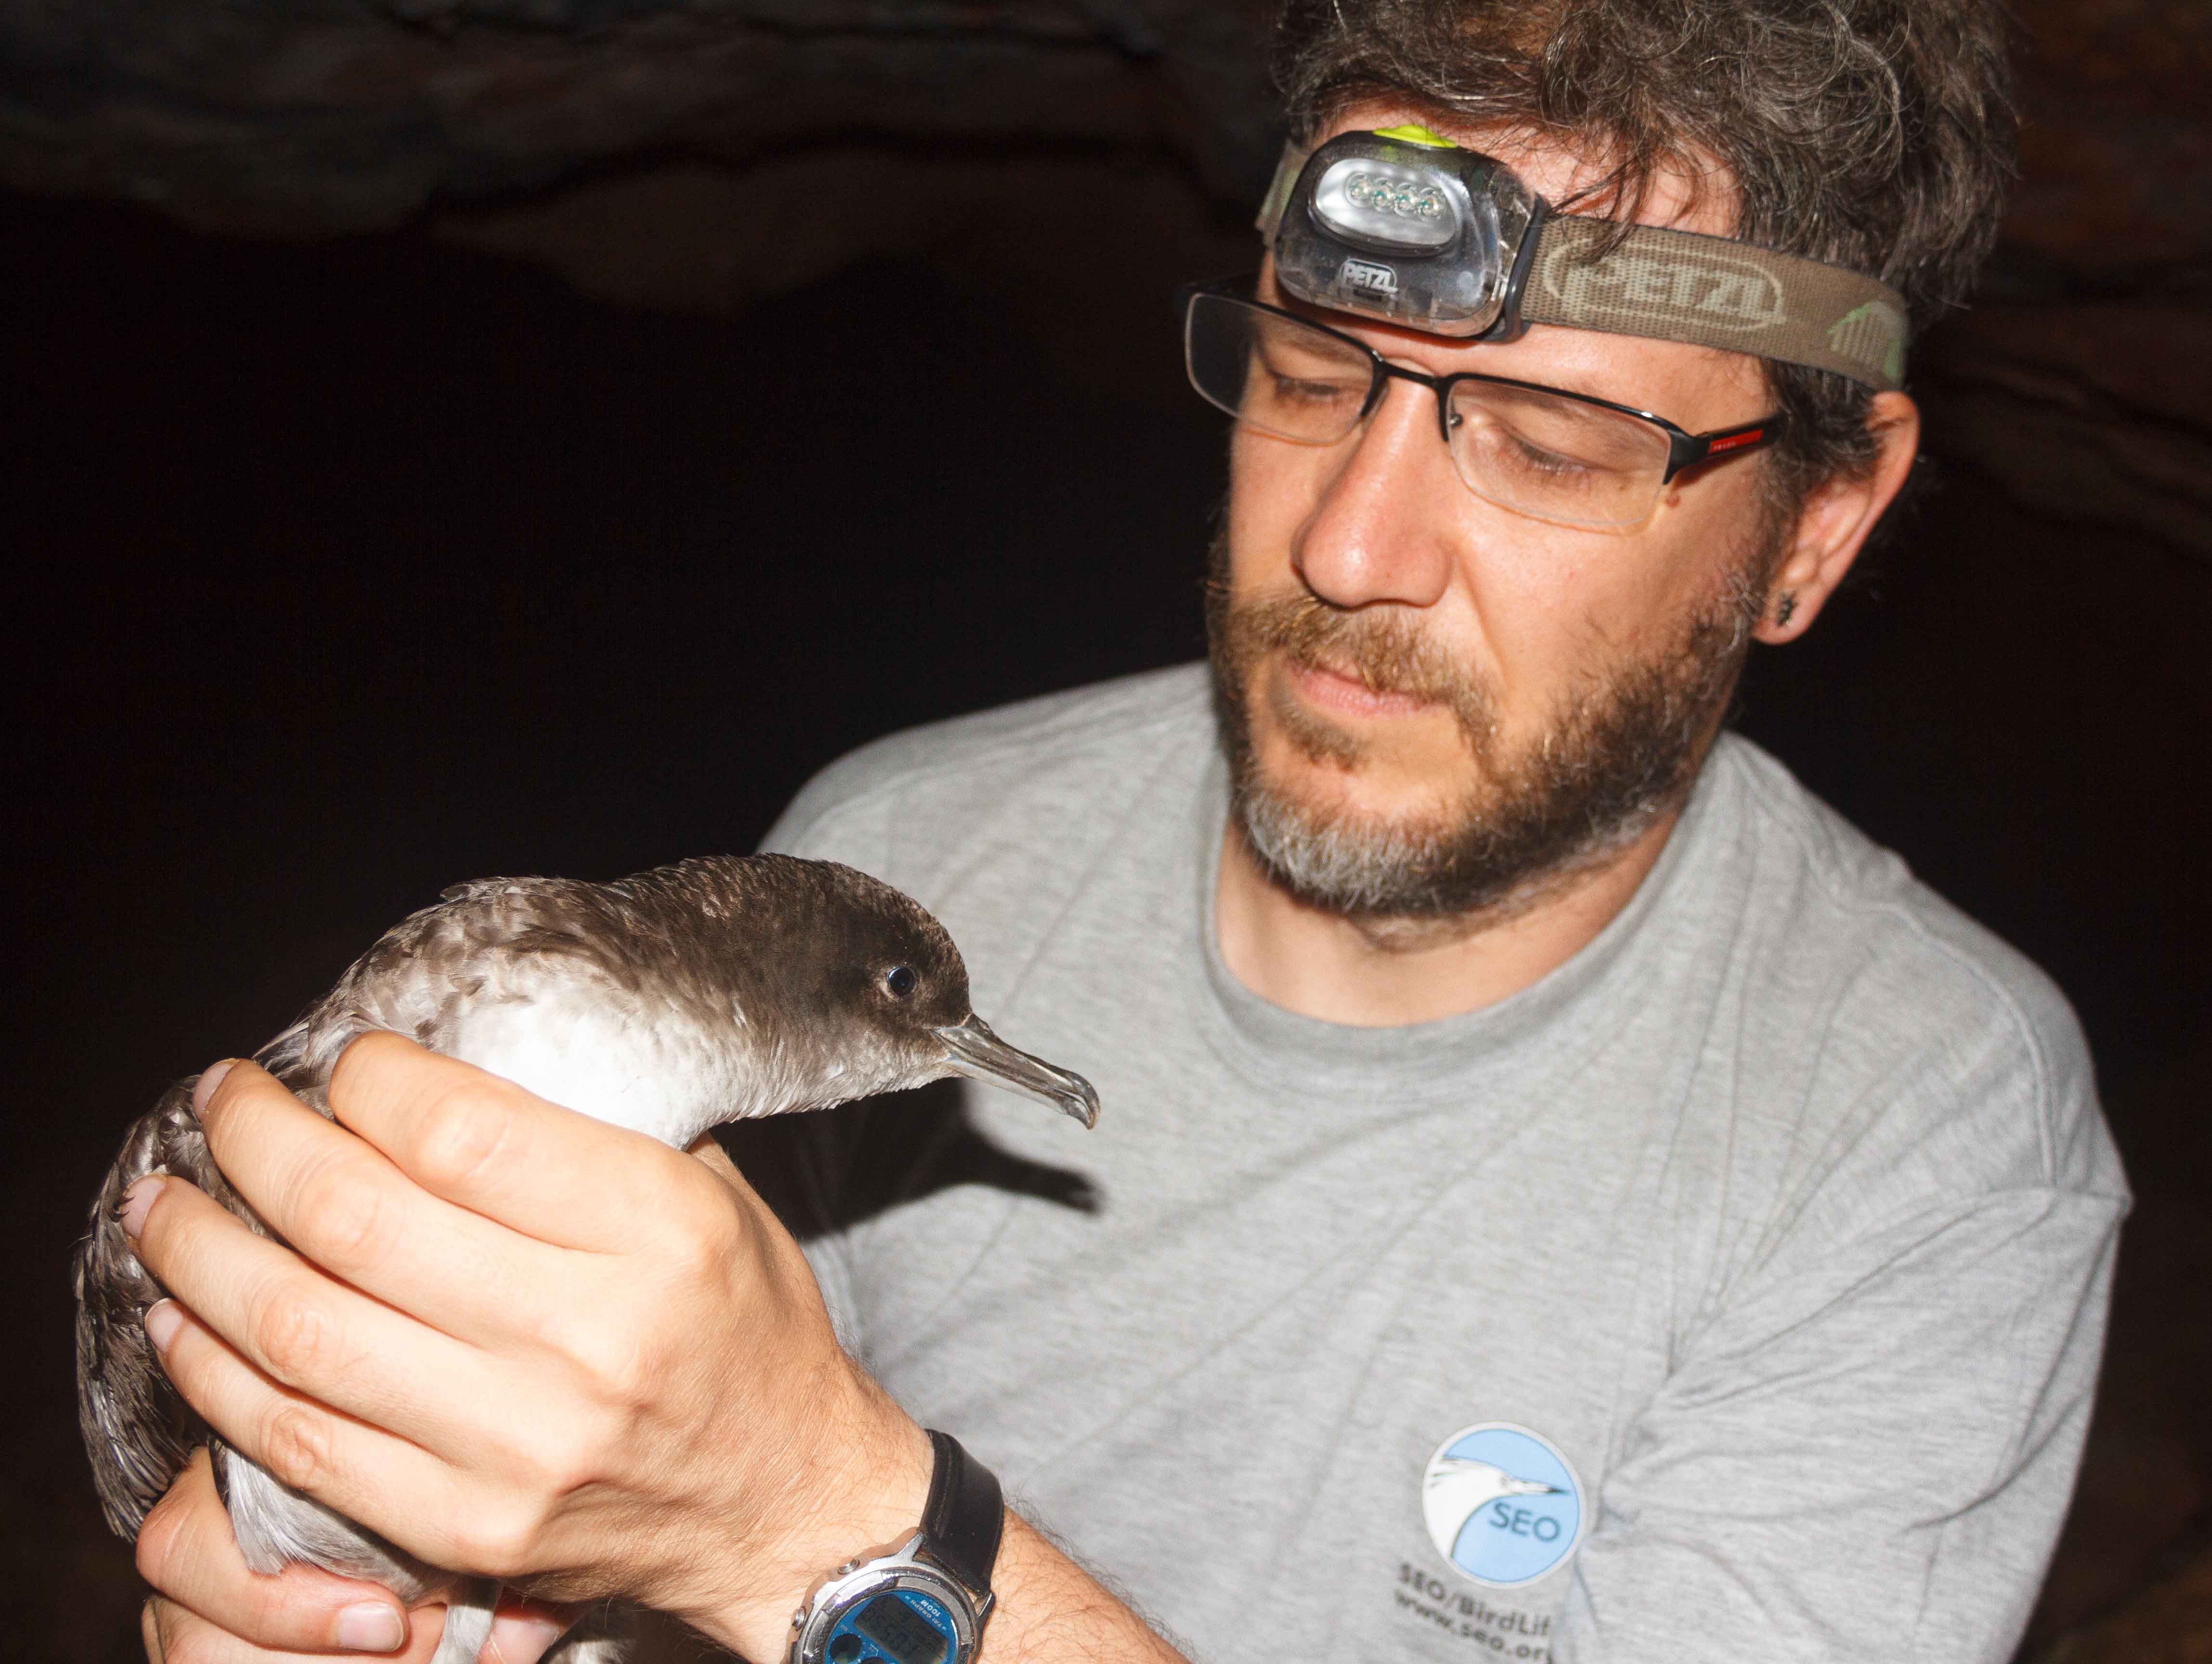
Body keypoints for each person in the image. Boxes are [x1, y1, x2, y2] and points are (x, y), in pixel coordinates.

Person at [118, 0, 2128, 1660]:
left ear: (1818, 528)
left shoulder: (1928, 1140)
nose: (1349, 544)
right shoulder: (903, 862)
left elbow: (753, 1512)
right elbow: (627, 1571)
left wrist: (817, 1526)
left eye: (1550, 443)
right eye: (1315, 370)